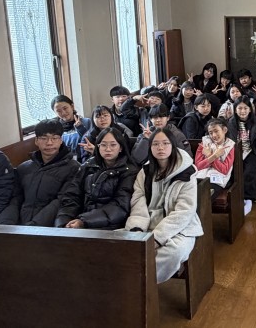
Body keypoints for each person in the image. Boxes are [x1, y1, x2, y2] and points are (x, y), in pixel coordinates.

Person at [124, 128, 204, 283]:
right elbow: (138, 202)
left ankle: (138, 285)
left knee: (173, 252)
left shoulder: (187, 172)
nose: (160, 148)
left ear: (173, 146)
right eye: (155, 144)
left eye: (165, 143)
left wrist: (157, 238)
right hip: (148, 223)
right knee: (120, 244)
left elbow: (185, 211)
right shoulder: (145, 172)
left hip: (180, 228)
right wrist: (137, 231)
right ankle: (128, 283)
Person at [0, 119, 81, 226]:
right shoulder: (24, 168)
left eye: (54, 138)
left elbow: (60, 202)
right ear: (36, 141)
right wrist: (6, 224)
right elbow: (15, 199)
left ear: (61, 140)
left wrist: (34, 226)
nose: (49, 143)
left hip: (49, 228)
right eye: (43, 138)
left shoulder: (73, 168)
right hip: (21, 225)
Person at [56, 127, 139, 230]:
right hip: (80, 222)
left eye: (113, 145)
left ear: (121, 148)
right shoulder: (89, 165)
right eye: (103, 145)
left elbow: (119, 206)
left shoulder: (129, 171)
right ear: (98, 147)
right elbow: (72, 195)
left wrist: (84, 221)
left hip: (110, 226)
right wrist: (64, 221)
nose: (108, 149)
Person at [227, 96, 256, 215]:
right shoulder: (231, 122)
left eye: (245, 108)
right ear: (235, 110)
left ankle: (249, 198)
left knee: (249, 172)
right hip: (236, 152)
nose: (243, 111)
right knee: (233, 171)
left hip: (252, 151)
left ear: (250, 109)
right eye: (239, 108)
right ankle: (237, 197)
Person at [194, 118, 237, 197]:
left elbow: (224, 170)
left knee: (203, 197)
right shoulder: (203, 143)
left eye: (216, 131)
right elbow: (198, 167)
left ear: (224, 130)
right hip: (199, 177)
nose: (213, 135)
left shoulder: (230, 146)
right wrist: (214, 156)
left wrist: (209, 156)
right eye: (210, 133)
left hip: (217, 180)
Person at [50, 95, 91, 160]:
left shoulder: (87, 122)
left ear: (72, 106)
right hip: (66, 162)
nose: (63, 113)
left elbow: (91, 141)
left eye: (65, 108)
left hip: (86, 159)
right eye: (58, 111)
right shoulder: (55, 128)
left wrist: (80, 128)